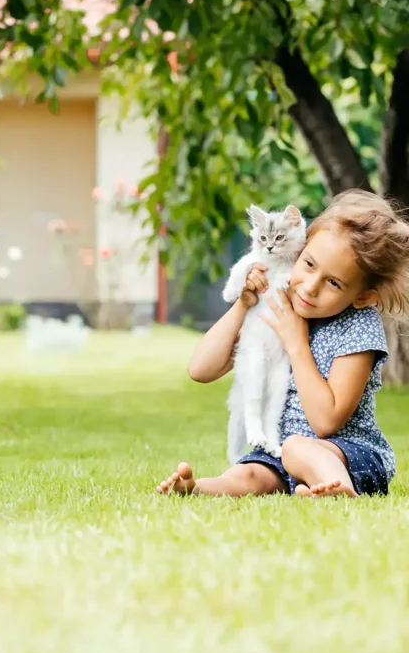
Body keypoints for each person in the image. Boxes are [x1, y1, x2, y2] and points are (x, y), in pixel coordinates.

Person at [156, 189, 409, 498]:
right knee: (248, 472)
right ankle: (195, 489)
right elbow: (200, 369)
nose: (311, 287)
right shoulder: (278, 301)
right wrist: (244, 304)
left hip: (350, 453)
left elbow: (326, 421)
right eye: (309, 264)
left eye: (333, 283)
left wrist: (296, 343)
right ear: (299, 248)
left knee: (297, 447)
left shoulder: (358, 325)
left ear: (363, 296)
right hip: (279, 456)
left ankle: (338, 487)